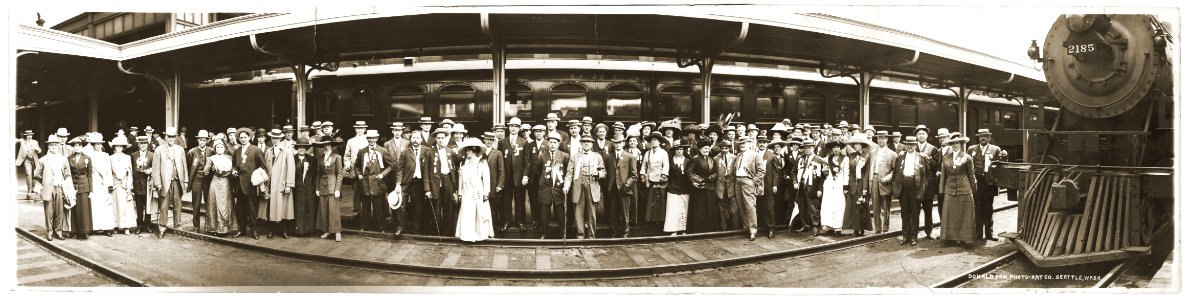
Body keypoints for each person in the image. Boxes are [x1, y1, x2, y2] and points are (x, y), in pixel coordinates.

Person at [887, 136, 928, 245]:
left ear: (915, 145)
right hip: (903, 187)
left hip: (916, 187)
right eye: (908, 144)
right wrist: (895, 187)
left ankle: (914, 236)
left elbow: (927, 174)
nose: (909, 146)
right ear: (905, 145)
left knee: (915, 212)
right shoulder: (900, 157)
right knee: (904, 212)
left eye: (912, 144)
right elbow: (895, 173)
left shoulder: (921, 157)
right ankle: (905, 235)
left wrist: (923, 187)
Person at [968, 129, 1007, 241]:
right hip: (976, 182)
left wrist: (1004, 157)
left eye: (985, 136)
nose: (983, 138)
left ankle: (989, 234)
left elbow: (1001, 166)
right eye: (981, 136)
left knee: (989, 208)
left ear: (989, 137)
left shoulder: (995, 149)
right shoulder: (971, 149)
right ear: (978, 138)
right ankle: (978, 233)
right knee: (977, 207)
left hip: (989, 182)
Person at [941, 134, 979, 246]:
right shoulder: (946, 158)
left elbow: (971, 174)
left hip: (964, 188)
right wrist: (941, 190)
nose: (955, 145)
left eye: (957, 143)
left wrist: (974, 189)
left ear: (961, 144)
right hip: (950, 189)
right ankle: (950, 238)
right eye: (953, 143)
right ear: (951, 145)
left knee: (964, 214)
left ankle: (963, 238)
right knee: (949, 214)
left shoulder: (967, 157)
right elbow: (943, 175)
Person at [151, 127, 188, 238]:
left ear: (175, 137)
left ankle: (178, 225)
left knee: (178, 204)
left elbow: (184, 166)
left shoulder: (180, 149)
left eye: (173, 136)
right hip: (164, 182)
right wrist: (157, 183)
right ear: (165, 137)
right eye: (169, 136)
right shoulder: (159, 150)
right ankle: (162, 227)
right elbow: (156, 168)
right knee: (164, 206)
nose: (171, 138)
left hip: (177, 181)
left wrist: (185, 180)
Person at [455, 138, 494, 242]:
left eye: (469, 150)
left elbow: (486, 178)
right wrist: (459, 192)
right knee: (466, 212)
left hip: (477, 190)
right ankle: (466, 235)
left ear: (475, 150)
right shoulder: (463, 163)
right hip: (466, 191)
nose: (467, 152)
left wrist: (486, 193)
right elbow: (460, 179)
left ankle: (478, 235)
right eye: (466, 150)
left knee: (478, 212)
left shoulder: (481, 162)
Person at [532, 132, 570, 239]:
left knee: (560, 212)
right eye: (551, 142)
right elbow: (537, 171)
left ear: (558, 144)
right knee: (544, 212)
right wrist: (544, 180)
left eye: (555, 142)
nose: (552, 144)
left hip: (559, 188)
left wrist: (564, 185)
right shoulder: (542, 156)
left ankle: (562, 232)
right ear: (548, 143)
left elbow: (568, 171)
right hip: (545, 188)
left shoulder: (564, 156)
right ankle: (544, 232)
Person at [354, 129, 392, 233]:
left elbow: (390, 166)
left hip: (377, 182)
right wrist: (359, 175)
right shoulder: (362, 151)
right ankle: (364, 225)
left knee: (379, 206)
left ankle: (381, 227)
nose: (371, 140)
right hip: (365, 182)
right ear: (367, 139)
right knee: (365, 206)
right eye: (369, 138)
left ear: (377, 138)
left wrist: (382, 175)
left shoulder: (383, 151)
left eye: (373, 138)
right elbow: (356, 166)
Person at [233, 127, 268, 239]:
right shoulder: (237, 151)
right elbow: (234, 164)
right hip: (239, 184)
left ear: (249, 137)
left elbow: (263, 166)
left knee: (252, 209)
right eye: (241, 137)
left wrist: (256, 175)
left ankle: (254, 230)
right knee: (240, 209)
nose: (243, 139)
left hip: (251, 184)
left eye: (245, 137)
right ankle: (242, 230)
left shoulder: (256, 150)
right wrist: (234, 170)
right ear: (239, 139)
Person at [36, 135, 73, 240]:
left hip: (59, 187)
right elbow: (36, 174)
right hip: (48, 188)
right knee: (49, 211)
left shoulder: (63, 159)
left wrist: (67, 185)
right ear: (48, 146)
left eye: (55, 145)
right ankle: (49, 232)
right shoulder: (43, 160)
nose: (53, 147)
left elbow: (68, 174)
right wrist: (43, 183)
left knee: (59, 211)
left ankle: (59, 231)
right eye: (51, 145)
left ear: (58, 146)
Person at [424, 128, 459, 236]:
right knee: (437, 208)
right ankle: (437, 231)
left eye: (442, 138)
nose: (440, 140)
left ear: (446, 139)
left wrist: (455, 187)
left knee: (448, 207)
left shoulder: (450, 151)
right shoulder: (430, 152)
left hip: (448, 180)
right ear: (435, 139)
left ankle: (447, 231)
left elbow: (456, 167)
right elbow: (425, 172)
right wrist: (427, 189)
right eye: (438, 138)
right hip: (436, 183)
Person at [394, 129, 427, 236]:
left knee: (418, 206)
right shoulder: (405, 151)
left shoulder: (427, 151)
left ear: (421, 139)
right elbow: (399, 168)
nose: (415, 140)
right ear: (410, 139)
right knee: (401, 205)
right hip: (406, 182)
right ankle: (400, 228)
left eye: (417, 138)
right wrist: (398, 184)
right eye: (413, 137)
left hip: (419, 183)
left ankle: (416, 229)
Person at [571, 135, 605, 239]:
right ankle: (580, 235)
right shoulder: (575, 157)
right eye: (584, 142)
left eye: (588, 142)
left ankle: (591, 236)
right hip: (578, 187)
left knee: (592, 213)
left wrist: (599, 173)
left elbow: (603, 171)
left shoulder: (597, 156)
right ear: (581, 144)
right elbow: (569, 173)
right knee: (578, 212)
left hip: (592, 186)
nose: (586, 143)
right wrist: (567, 185)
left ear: (591, 144)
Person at [732, 137, 765, 240]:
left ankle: (753, 230)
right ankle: (747, 227)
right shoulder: (738, 156)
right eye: (740, 143)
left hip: (748, 181)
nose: (742, 145)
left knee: (750, 206)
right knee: (740, 205)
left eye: (744, 143)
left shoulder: (755, 155)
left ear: (750, 143)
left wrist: (754, 181)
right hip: (738, 181)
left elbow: (762, 170)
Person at [500, 119, 530, 231]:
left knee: (520, 199)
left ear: (519, 128)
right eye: (511, 126)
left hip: (519, 176)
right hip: (507, 177)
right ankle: (506, 221)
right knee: (506, 200)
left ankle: (520, 221)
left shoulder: (524, 142)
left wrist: (525, 175)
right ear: (508, 127)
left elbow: (527, 161)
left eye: (516, 126)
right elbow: (500, 161)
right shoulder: (502, 142)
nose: (513, 128)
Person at [911, 125, 940, 240]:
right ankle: (915, 232)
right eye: (919, 134)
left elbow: (936, 165)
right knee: (915, 210)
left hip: (928, 185)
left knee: (928, 210)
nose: (921, 135)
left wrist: (927, 158)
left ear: (927, 136)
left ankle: (929, 232)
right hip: (915, 185)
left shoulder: (933, 149)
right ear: (916, 136)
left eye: (923, 133)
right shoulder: (912, 147)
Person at [85, 133, 116, 237]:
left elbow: (108, 170)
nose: (98, 146)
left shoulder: (105, 155)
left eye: (100, 144)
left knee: (106, 205)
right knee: (95, 205)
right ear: (93, 145)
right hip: (95, 182)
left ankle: (107, 228)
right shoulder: (89, 155)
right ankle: (95, 227)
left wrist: (110, 184)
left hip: (104, 182)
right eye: (96, 144)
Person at [842, 136, 873, 236]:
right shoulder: (851, 156)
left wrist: (865, 188)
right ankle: (855, 229)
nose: (855, 146)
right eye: (854, 144)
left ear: (862, 145)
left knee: (862, 207)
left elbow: (867, 173)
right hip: (853, 184)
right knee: (854, 208)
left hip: (862, 184)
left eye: (857, 144)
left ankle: (862, 229)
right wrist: (848, 185)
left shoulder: (867, 156)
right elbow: (850, 172)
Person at [205, 136, 237, 236]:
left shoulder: (229, 158)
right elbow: (206, 171)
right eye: (217, 147)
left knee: (224, 204)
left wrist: (233, 172)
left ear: (224, 148)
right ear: (215, 148)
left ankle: (225, 228)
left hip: (225, 182)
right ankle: (214, 228)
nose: (219, 149)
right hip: (215, 182)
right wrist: (211, 170)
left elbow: (233, 169)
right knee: (214, 203)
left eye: (221, 147)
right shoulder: (211, 158)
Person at [315, 137, 345, 242]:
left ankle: (337, 231)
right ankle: (326, 230)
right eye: (324, 145)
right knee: (324, 209)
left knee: (333, 209)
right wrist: (317, 188)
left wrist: (337, 189)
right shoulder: (320, 158)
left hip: (333, 185)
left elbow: (340, 174)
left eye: (327, 144)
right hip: (322, 186)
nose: (325, 146)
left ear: (331, 145)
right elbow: (318, 174)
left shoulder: (337, 157)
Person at [607, 135, 637, 238]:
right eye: (616, 143)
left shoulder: (629, 157)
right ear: (613, 144)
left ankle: (625, 233)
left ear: (623, 143)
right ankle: (614, 232)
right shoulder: (609, 157)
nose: (618, 144)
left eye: (620, 142)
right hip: (613, 188)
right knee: (613, 213)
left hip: (624, 188)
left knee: (625, 213)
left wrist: (627, 185)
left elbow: (634, 175)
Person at [869, 131, 897, 234]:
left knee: (886, 206)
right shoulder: (872, 152)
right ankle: (877, 228)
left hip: (885, 181)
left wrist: (889, 177)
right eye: (879, 138)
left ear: (887, 139)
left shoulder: (892, 154)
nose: (880, 140)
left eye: (883, 138)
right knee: (875, 205)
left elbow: (896, 170)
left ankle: (885, 227)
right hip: (875, 179)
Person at [792, 138, 822, 233]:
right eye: (806, 148)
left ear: (813, 148)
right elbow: (793, 172)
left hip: (813, 187)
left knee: (813, 208)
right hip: (801, 187)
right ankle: (805, 225)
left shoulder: (818, 160)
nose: (808, 149)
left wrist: (819, 189)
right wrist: (795, 182)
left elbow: (821, 178)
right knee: (802, 207)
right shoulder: (800, 159)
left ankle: (816, 226)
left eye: (810, 147)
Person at [688, 140, 718, 234]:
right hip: (700, 188)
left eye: (708, 148)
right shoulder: (695, 159)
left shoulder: (711, 159)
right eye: (705, 148)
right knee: (700, 209)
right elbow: (689, 172)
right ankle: (699, 230)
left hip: (710, 187)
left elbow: (716, 172)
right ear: (700, 149)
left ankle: (710, 229)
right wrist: (694, 182)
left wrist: (712, 177)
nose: (707, 150)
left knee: (710, 208)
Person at [818, 141, 848, 236]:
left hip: (839, 184)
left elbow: (846, 173)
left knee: (839, 205)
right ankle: (829, 226)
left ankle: (838, 227)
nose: (836, 149)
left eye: (838, 147)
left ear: (840, 148)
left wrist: (845, 186)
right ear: (831, 149)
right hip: (829, 184)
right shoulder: (828, 158)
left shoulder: (845, 159)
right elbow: (821, 164)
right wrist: (823, 170)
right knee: (828, 205)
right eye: (834, 147)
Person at [640, 132, 670, 226]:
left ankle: (660, 219)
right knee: (650, 198)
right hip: (650, 179)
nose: (653, 142)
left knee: (659, 198)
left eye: (655, 140)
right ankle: (650, 219)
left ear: (659, 142)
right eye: (652, 140)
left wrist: (664, 175)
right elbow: (644, 165)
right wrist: (642, 175)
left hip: (660, 178)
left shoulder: (663, 153)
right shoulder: (648, 153)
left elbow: (666, 165)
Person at [109, 135, 137, 235]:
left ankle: (126, 227)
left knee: (126, 206)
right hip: (115, 184)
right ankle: (116, 225)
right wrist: (111, 184)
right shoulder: (110, 158)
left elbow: (130, 173)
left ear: (123, 147)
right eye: (117, 146)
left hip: (124, 185)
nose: (119, 148)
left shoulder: (127, 158)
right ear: (114, 147)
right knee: (116, 206)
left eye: (121, 146)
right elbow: (109, 173)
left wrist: (129, 187)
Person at [187, 130, 214, 231]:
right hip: (196, 180)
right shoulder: (192, 152)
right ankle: (196, 226)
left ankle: (209, 225)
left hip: (208, 180)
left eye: (204, 140)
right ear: (197, 140)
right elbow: (190, 166)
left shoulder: (211, 151)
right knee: (196, 203)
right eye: (200, 140)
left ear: (207, 141)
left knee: (209, 203)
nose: (202, 142)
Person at [663, 144, 692, 236]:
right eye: (677, 149)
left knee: (684, 209)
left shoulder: (688, 161)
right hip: (673, 187)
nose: (679, 151)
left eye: (681, 149)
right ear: (674, 151)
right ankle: (673, 229)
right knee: (673, 209)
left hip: (685, 188)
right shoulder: (670, 161)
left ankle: (684, 229)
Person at [760, 138, 786, 239]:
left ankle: (771, 228)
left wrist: (774, 185)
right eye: (760, 142)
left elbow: (775, 173)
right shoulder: (755, 154)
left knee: (769, 207)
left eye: (764, 142)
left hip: (768, 184)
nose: (762, 144)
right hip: (757, 185)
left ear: (766, 144)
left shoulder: (771, 156)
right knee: (760, 205)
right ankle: (762, 227)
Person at [480, 132, 506, 231]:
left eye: (491, 140)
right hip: (480, 185)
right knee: (482, 208)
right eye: (487, 139)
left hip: (493, 185)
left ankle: (493, 229)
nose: (489, 142)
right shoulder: (480, 152)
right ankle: (483, 229)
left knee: (493, 209)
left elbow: (501, 171)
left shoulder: (498, 153)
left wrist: (500, 185)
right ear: (484, 140)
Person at [292, 138, 318, 236]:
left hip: (309, 188)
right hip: (297, 189)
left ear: (306, 148)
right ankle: (298, 230)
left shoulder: (312, 160)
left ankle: (308, 230)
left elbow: (316, 175)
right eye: (299, 147)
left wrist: (314, 187)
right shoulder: (292, 159)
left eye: (303, 147)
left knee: (309, 208)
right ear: (297, 148)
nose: (301, 149)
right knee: (298, 209)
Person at [524, 125, 547, 229]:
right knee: (533, 199)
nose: (538, 133)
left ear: (544, 133)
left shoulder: (548, 144)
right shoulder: (530, 144)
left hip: (544, 177)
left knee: (543, 199)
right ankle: (535, 219)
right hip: (533, 178)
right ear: (533, 133)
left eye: (540, 131)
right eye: (536, 131)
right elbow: (527, 162)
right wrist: (526, 176)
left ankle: (544, 220)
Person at [344, 121, 369, 215]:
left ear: (365, 129)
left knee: (367, 190)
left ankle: (367, 212)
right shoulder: (350, 141)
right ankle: (356, 210)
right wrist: (347, 163)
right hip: (355, 170)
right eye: (358, 128)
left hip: (367, 170)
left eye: (361, 128)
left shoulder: (369, 139)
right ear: (355, 129)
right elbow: (346, 156)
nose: (360, 130)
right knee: (356, 191)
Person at [131, 136, 154, 234]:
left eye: (145, 143)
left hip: (147, 184)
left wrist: (151, 170)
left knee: (148, 205)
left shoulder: (152, 155)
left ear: (147, 144)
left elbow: (155, 167)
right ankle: (139, 225)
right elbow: (131, 169)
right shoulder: (133, 155)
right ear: (138, 144)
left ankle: (148, 224)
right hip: (137, 184)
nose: (143, 145)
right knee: (139, 206)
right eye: (141, 143)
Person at [714, 140, 738, 231]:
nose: (724, 150)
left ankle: (735, 228)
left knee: (734, 209)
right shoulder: (716, 158)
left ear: (729, 149)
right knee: (721, 208)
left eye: (726, 148)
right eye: (722, 148)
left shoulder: (734, 157)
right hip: (720, 186)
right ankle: (723, 227)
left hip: (731, 185)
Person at [17, 130, 42, 199]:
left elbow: (40, 150)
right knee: (28, 174)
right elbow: (16, 140)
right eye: (28, 135)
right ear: (25, 136)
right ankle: (29, 190)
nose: (29, 137)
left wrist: (38, 149)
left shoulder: (35, 142)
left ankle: (33, 187)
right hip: (27, 160)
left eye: (30, 135)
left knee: (35, 174)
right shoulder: (22, 141)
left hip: (34, 159)